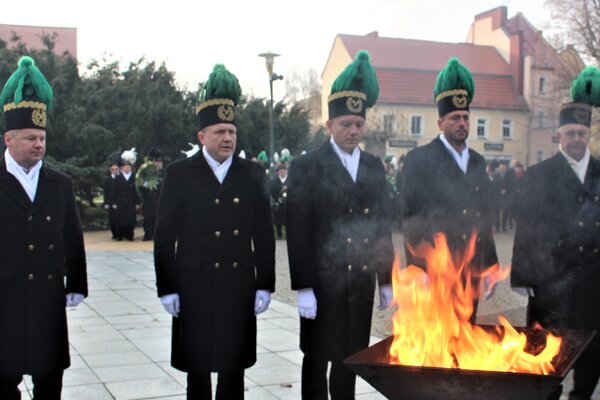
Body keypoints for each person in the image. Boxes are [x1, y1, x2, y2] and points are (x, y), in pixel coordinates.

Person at [154, 64, 275, 400]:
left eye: (232, 132)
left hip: (237, 284)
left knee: (233, 368)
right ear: (201, 137)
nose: (227, 138)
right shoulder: (180, 174)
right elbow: (164, 235)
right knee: (198, 368)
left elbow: (264, 234)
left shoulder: (252, 173)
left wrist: (265, 283)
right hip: (194, 284)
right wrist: (167, 287)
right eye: (220, 131)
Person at [286, 50, 394, 399]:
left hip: (359, 281)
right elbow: (298, 229)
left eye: (359, 124)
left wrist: (386, 280)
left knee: (350, 358)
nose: (353, 130)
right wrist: (303, 286)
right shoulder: (307, 166)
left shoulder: (374, 167)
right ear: (329, 125)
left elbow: (380, 227)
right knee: (317, 358)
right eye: (345, 124)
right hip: (322, 282)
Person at [0, 56, 87, 399]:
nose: (39, 144)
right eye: (30, 138)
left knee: (50, 378)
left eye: (42, 138)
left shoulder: (58, 183)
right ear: (9, 138)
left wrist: (77, 283)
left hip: (47, 298)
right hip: (4, 298)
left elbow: (72, 236)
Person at [511, 66, 600, 400]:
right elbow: (527, 226)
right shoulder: (539, 175)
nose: (576, 139)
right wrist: (522, 276)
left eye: (581, 133)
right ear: (558, 135)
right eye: (570, 133)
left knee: (591, 356)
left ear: (587, 134)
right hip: (551, 281)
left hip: (593, 281)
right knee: (547, 358)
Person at [401, 57, 498, 320]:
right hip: (436, 269)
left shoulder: (477, 161)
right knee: (438, 347)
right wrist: (417, 267)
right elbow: (410, 216)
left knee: (467, 339)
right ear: (440, 122)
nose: (462, 123)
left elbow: (484, 217)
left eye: (466, 117)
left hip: (470, 271)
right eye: (455, 118)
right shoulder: (419, 160)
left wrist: (490, 264)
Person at [112, 148, 140, 241]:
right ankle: (120, 235)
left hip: (130, 202)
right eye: (125, 167)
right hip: (120, 201)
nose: (127, 168)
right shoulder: (118, 177)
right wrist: (114, 202)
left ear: (131, 168)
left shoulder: (134, 177)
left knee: (131, 219)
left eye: (128, 167)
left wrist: (137, 202)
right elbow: (114, 190)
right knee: (120, 219)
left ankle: (130, 235)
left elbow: (137, 191)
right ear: (122, 168)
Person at [137, 147, 164, 241]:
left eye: (160, 163)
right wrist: (145, 184)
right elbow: (139, 183)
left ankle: (158, 234)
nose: (158, 164)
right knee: (149, 217)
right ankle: (148, 234)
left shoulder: (165, 172)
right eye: (156, 163)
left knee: (160, 218)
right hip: (149, 198)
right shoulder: (146, 172)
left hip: (161, 199)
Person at [269, 164, 288, 240]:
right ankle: (279, 234)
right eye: (281, 171)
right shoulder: (274, 181)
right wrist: (278, 198)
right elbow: (271, 191)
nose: (282, 172)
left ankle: (289, 234)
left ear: (286, 171)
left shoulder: (290, 180)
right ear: (278, 172)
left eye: (283, 170)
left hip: (288, 204)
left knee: (289, 220)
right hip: (278, 203)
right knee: (278, 220)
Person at [103, 163, 119, 239]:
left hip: (119, 202)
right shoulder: (107, 180)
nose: (115, 170)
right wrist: (106, 202)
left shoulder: (120, 178)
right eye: (113, 169)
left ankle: (120, 233)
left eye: (116, 169)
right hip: (111, 202)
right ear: (110, 171)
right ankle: (114, 234)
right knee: (112, 219)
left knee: (119, 219)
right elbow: (105, 192)